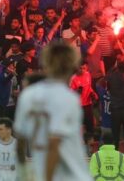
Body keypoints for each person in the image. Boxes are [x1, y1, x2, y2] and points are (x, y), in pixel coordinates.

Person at [14, 43, 91, 180]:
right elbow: (54, 143)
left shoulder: (27, 95)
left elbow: (20, 142)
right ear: (71, 66)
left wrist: (23, 173)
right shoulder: (68, 98)